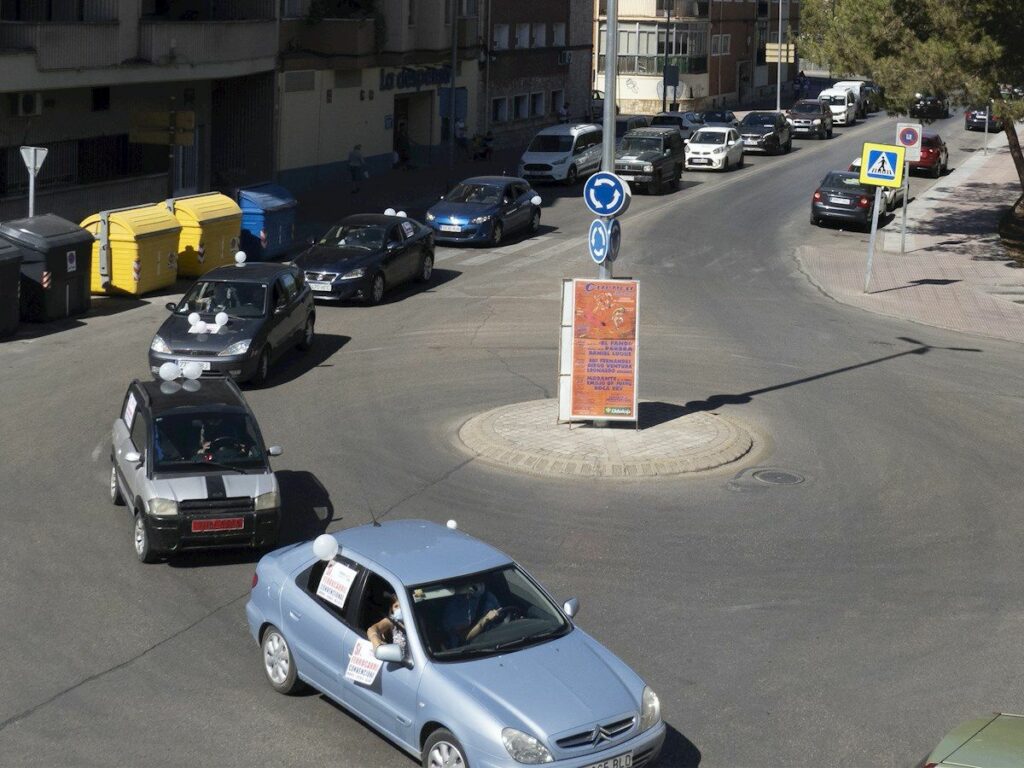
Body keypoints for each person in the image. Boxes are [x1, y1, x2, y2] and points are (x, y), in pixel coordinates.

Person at [441, 581, 500, 649]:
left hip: (495, 643)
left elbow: (501, 618)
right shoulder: (454, 607)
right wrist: (484, 621)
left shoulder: (488, 597)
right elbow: (464, 636)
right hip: (469, 650)